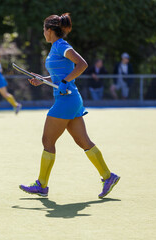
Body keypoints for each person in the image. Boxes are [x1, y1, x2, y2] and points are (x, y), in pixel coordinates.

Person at [19, 13, 120, 199]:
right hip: (71, 100)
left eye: (44, 30)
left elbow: (82, 64)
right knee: (83, 142)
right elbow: (60, 75)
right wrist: (43, 80)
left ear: (50, 30)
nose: (43, 33)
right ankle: (108, 176)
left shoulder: (61, 46)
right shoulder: (54, 49)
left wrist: (65, 81)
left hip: (66, 100)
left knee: (47, 141)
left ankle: (41, 185)